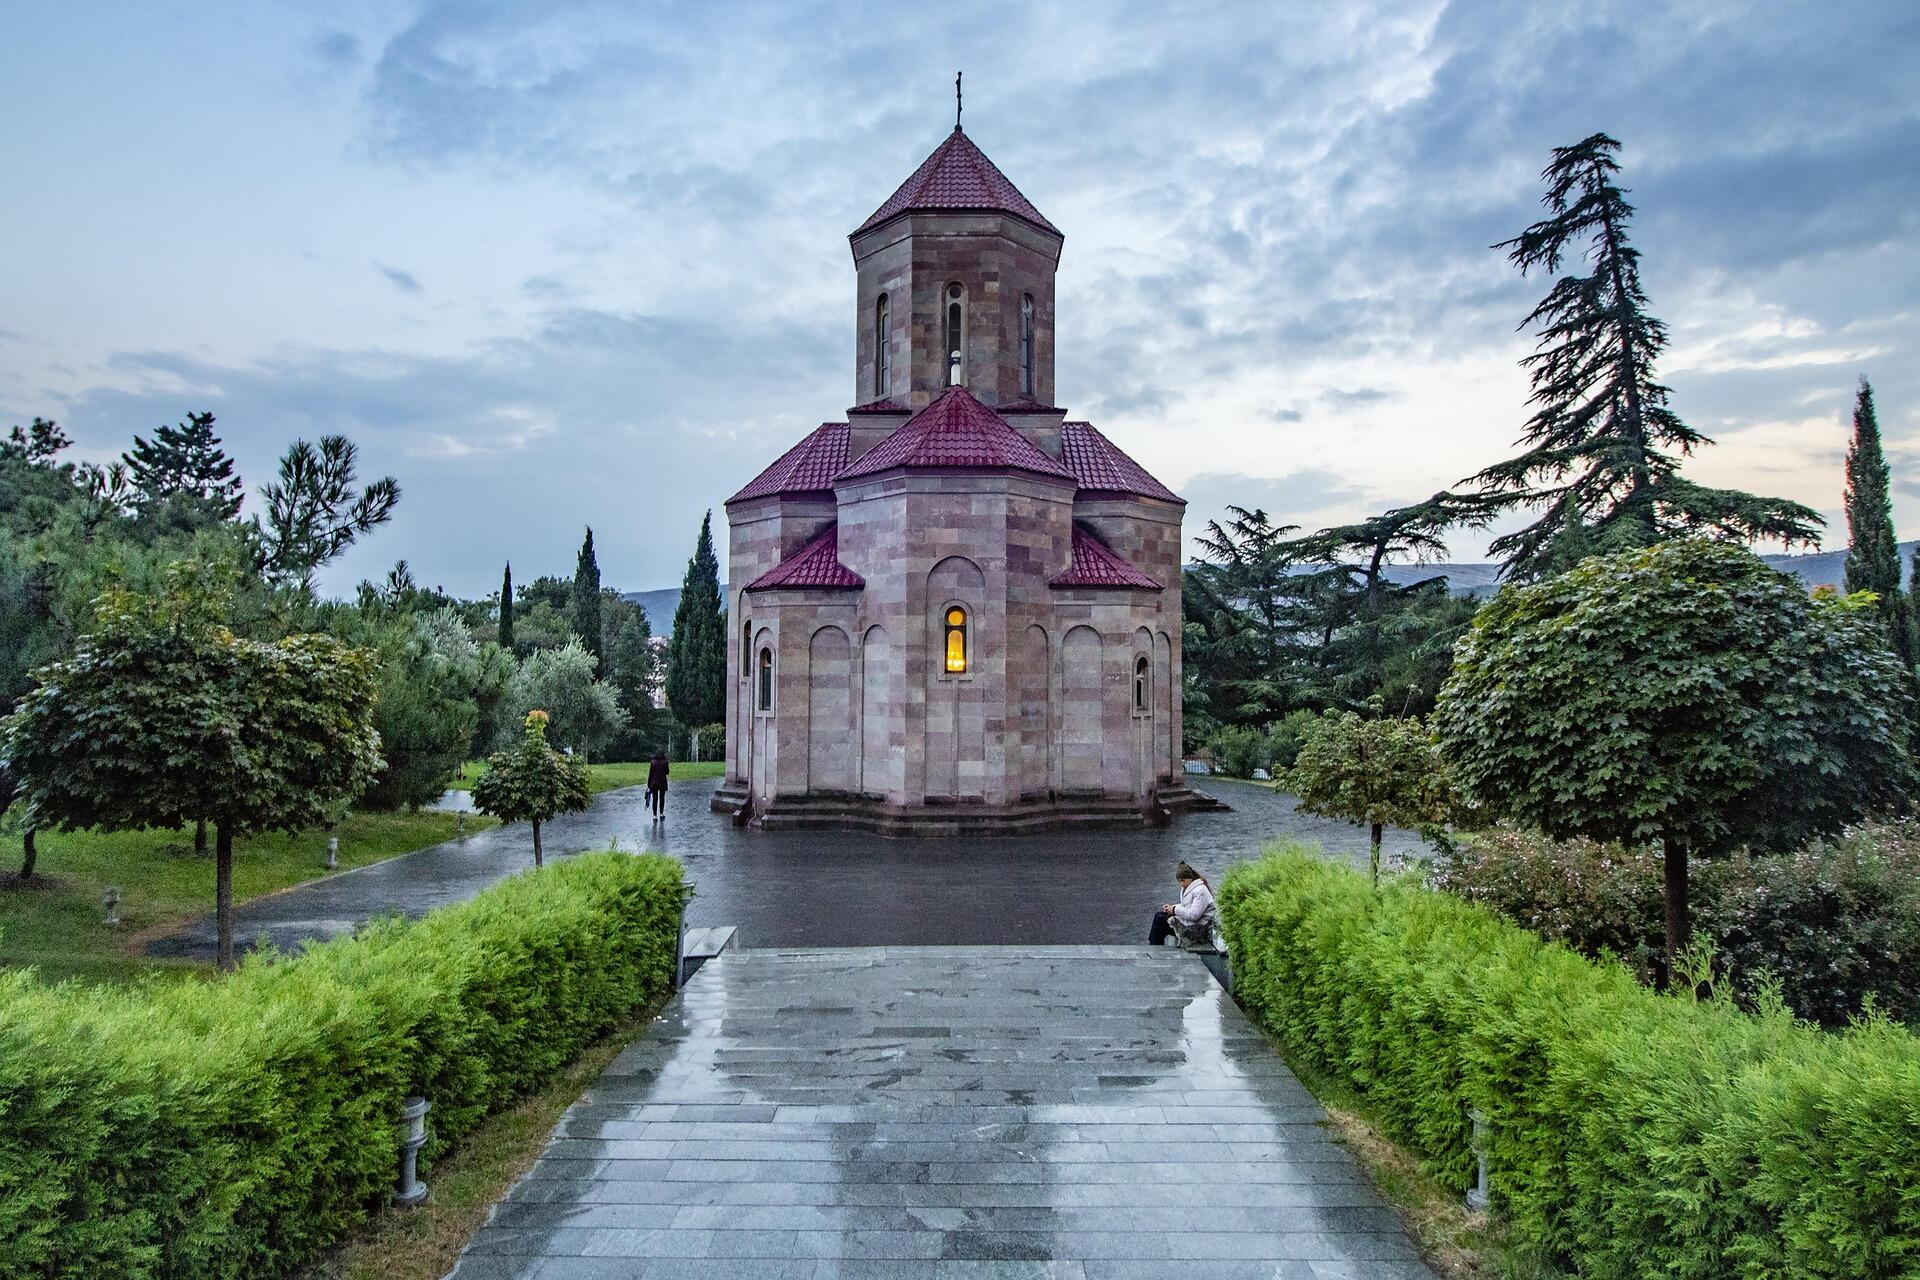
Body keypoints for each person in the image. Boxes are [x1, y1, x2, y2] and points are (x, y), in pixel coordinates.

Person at [1149, 861, 1217, 947]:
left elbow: (1194, 914)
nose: (1181, 884)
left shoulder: (1200, 891)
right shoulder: (1188, 888)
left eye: (1183, 881)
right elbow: (1186, 906)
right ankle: (1154, 946)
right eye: (1179, 881)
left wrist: (1174, 909)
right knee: (1159, 916)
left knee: (1160, 921)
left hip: (1199, 930)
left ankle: (1155, 949)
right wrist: (1172, 909)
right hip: (1193, 924)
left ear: (1190, 878)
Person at [646, 748, 670, 819]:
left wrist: (649, 785)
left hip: (654, 782)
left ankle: (654, 815)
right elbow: (667, 772)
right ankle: (661, 813)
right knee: (662, 798)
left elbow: (650, 774)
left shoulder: (653, 762)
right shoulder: (665, 762)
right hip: (662, 782)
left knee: (655, 799)